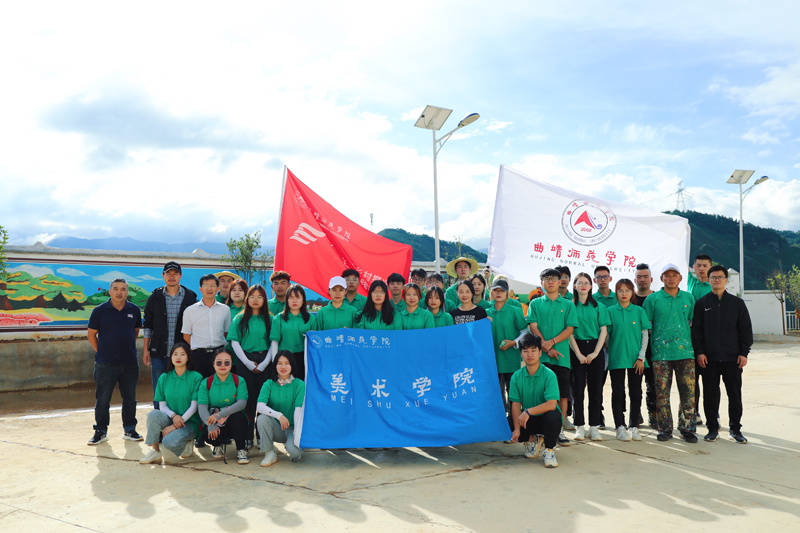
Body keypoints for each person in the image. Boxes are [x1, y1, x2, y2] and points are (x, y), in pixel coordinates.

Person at [691, 265, 753, 444]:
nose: (716, 280)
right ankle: (712, 429)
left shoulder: (737, 304)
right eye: (713, 277)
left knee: (735, 395)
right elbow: (696, 331)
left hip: (732, 359)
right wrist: (700, 352)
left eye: (720, 277)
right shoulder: (701, 304)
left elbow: (745, 330)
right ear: (709, 280)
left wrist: (743, 353)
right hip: (708, 359)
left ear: (726, 280)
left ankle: (735, 430)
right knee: (710, 396)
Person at [643, 264, 697, 443]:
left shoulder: (688, 298)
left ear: (680, 278)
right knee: (662, 394)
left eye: (675, 275)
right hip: (661, 354)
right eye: (667, 275)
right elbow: (646, 327)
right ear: (661, 279)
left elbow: (692, 323)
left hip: (686, 353)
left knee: (688, 393)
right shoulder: (652, 299)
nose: (671, 278)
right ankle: (664, 429)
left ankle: (687, 429)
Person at [87, 278, 143, 445]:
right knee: (103, 399)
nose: (119, 292)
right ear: (110, 291)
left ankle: (130, 429)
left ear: (127, 292)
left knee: (130, 399)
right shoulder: (99, 311)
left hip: (129, 362)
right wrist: (102, 352)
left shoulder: (134, 310)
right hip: (105, 364)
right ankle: (101, 431)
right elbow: (91, 334)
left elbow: (135, 332)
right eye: (116, 289)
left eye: (123, 289)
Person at [526, 268, 578, 446]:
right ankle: (540, 430)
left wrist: (552, 342)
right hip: (541, 358)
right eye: (546, 278)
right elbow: (533, 326)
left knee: (562, 394)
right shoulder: (535, 303)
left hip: (561, 357)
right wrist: (545, 346)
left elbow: (569, 329)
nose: (550, 281)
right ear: (541, 282)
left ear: (560, 281)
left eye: (554, 278)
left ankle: (559, 429)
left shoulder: (568, 305)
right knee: (540, 394)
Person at [142, 261, 197, 408]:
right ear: (163, 275)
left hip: (182, 354)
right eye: (168, 274)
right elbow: (148, 325)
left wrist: (192, 347)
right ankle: (159, 418)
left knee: (182, 389)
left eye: (175, 274)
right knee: (159, 390)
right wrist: (146, 349)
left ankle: (180, 418)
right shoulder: (155, 297)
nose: (172, 277)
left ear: (180, 276)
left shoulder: (190, 298)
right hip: (159, 352)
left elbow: (195, 326)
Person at [140, 343, 204, 464]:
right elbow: (162, 405)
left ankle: (187, 440)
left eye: (182, 354)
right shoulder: (164, 377)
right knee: (153, 414)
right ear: (171, 357)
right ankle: (155, 451)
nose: (178, 357)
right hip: (171, 418)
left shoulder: (196, 377)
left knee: (169, 442)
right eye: (175, 354)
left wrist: (175, 426)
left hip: (190, 422)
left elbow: (194, 406)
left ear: (188, 357)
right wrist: (174, 416)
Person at [228, 284, 274, 449]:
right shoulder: (239, 319)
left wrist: (264, 364)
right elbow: (234, 342)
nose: (255, 300)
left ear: (264, 300)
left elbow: (273, 342)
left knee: (263, 399)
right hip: (244, 360)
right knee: (247, 400)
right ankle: (247, 435)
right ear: (247, 299)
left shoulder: (271, 319)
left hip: (265, 361)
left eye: (259, 297)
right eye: (252, 296)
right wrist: (247, 363)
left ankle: (262, 435)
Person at [606, 279, 651, 442]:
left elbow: (645, 335)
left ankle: (633, 426)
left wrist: (641, 357)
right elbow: (606, 335)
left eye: (627, 290)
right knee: (618, 392)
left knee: (636, 392)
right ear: (616, 292)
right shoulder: (610, 311)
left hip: (636, 360)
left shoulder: (639, 311)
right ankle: (620, 426)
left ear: (632, 292)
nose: (624, 294)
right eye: (620, 290)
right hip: (617, 359)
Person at [567, 273, 609, 442]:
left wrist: (596, 353)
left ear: (591, 286)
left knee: (595, 390)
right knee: (577, 390)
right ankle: (579, 426)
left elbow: (603, 330)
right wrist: (578, 354)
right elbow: (569, 332)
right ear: (574, 286)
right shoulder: (570, 306)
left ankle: (594, 426)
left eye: (586, 283)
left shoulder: (599, 306)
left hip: (595, 348)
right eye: (580, 283)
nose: (583, 285)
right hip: (575, 347)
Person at [509, 333, 562, 468]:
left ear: (540, 353)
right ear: (521, 353)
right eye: (525, 351)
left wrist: (528, 411)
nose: (529, 354)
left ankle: (549, 450)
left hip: (545, 419)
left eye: (533, 350)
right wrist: (517, 430)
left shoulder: (549, 375)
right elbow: (516, 404)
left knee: (553, 416)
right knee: (507, 423)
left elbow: (552, 404)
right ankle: (533, 440)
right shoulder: (516, 376)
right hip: (528, 421)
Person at [487, 279, 528, 430]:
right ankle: (498, 425)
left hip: (511, 360)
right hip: (492, 361)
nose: (498, 293)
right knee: (495, 394)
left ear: (507, 293)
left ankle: (514, 425)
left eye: (502, 291)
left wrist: (514, 342)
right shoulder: (486, 313)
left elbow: (525, 331)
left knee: (513, 394)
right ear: (491, 293)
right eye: (495, 290)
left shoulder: (515, 311)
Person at [198, 350, 250, 464]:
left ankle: (241, 449)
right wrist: (210, 424)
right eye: (219, 362)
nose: (223, 365)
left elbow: (242, 403)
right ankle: (217, 446)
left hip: (232, 421)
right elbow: (202, 408)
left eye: (227, 362)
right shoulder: (206, 382)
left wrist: (219, 415)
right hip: (214, 422)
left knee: (239, 418)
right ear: (213, 364)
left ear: (231, 364)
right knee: (208, 434)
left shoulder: (239, 381)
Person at [256, 351, 306, 466]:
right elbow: (259, 406)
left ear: (292, 365)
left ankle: (293, 449)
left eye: (287, 363)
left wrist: (296, 435)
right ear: (275, 366)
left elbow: (298, 410)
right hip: (277, 428)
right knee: (262, 418)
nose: (283, 367)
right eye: (279, 363)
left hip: (293, 428)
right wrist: (279, 415)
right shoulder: (269, 383)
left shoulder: (299, 384)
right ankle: (269, 453)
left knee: (294, 452)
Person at [182, 274, 231, 379]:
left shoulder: (225, 309)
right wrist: (198, 346)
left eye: (212, 286)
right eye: (206, 286)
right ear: (200, 289)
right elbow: (186, 335)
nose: (209, 289)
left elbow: (226, 332)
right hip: (198, 357)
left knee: (218, 385)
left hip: (219, 355)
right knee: (199, 385)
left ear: (217, 289)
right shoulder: (190, 310)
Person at [270, 285, 317, 380]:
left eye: (298, 297)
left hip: (304, 358)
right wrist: (276, 362)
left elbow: (315, 342)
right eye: (291, 297)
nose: (294, 301)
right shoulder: (278, 318)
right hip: (284, 359)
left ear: (303, 300)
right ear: (287, 300)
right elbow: (274, 342)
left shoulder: (311, 319)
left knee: (302, 384)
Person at [688, 253, 714, 425]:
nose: (702, 268)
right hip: (691, 338)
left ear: (710, 267)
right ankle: (694, 412)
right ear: (694, 267)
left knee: (710, 380)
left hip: (709, 338)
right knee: (692, 379)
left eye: (705, 265)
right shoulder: (690, 282)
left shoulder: (714, 286)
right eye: (698, 265)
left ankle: (713, 414)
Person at [633, 263, 657, 429]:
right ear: (635, 280)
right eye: (639, 277)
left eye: (645, 276)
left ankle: (653, 414)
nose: (642, 279)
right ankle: (636, 415)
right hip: (634, 349)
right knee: (634, 385)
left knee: (653, 384)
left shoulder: (657, 298)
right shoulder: (629, 298)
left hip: (654, 349)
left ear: (651, 279)